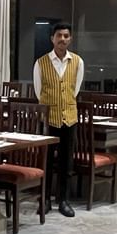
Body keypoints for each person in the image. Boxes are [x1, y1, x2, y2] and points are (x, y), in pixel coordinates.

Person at [33, 21, 84, 217]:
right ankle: (45, 200)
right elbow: (39, 92)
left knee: (66, 162)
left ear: (70, 39)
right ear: (52, 39)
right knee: (45, 162)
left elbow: (74, 90)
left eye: (66, 36)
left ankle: (63, 200)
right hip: (48, 120)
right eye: (59, 36)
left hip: (69, 118)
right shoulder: (41, 63)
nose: (62, 39)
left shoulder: (78, 62)